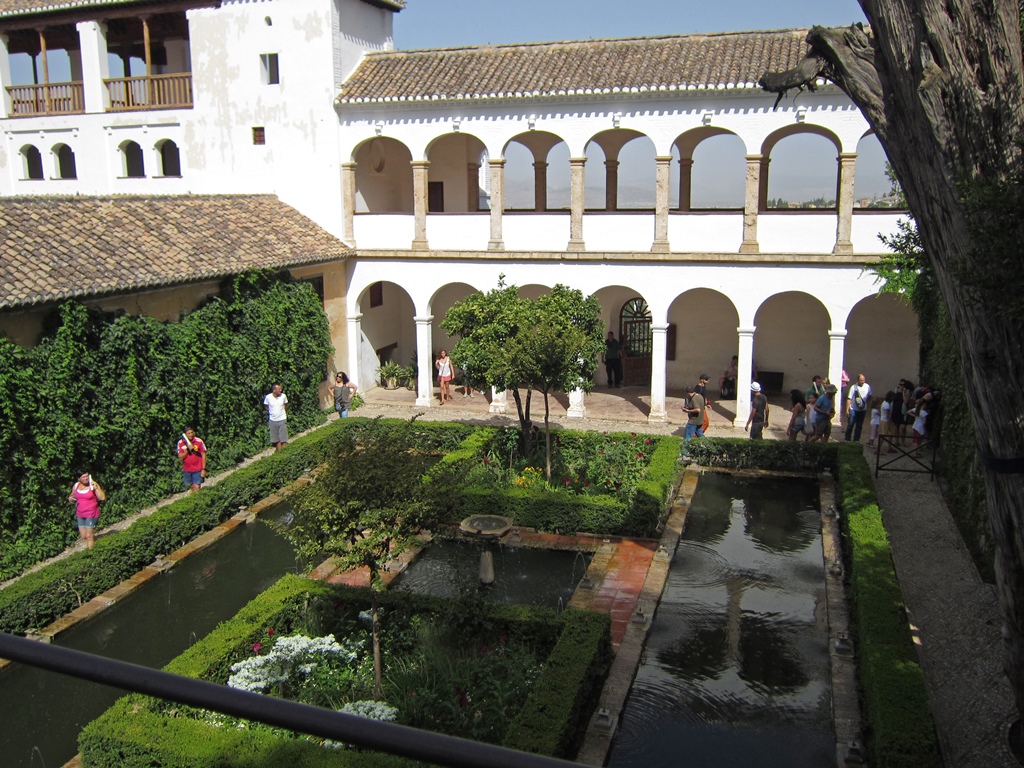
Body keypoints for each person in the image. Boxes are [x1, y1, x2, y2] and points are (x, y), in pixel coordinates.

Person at [69, 471, 105, 549]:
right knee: (84, 536)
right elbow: (72, 495)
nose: (86, 478)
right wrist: (71, 498)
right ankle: (96, 541)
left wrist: (96, 488)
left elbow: (102, 497)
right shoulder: (76, 486)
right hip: (80, 514)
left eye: (87, 476)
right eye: (83, 477)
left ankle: (91, 552)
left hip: (91, 513)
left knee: (89, 536)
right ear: (79, 479)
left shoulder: (93, 485)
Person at [176, 427, 207, 492]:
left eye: (192, 432)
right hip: (187, 469)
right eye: (189, 433)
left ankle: (199, 500)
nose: (191, 435)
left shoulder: (198, 441)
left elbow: (203, 455)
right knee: (192, 487)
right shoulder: (181, 443)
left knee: (197, 486)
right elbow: (180, 457)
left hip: (198, 468)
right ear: (185, 434)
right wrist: (187, 450)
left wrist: (204, 469)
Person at [845, 373, 872, 442]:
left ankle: (856, 439)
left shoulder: (867, 386)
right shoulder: (853, 387)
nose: (862, 382)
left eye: (863, 380)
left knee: (859, 425)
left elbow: (870, 396)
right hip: (853, 409)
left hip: (863, 409)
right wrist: (847, 410)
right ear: (858, 380)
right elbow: (849, 399)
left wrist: (866, 403)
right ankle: (847, 439)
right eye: (861, 380)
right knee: (851, 424)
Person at [263, 383, 289, 451]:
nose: (281, 390)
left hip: (282, 419)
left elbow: (286, 405)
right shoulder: (268, 397)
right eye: (279, 389)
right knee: (276, 439)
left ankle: (284, 452)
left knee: (284, 438)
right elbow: (266, 406)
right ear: (274, 390)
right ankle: (280, 453)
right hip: (273, 420)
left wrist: (283, 412)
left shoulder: (283, 396)